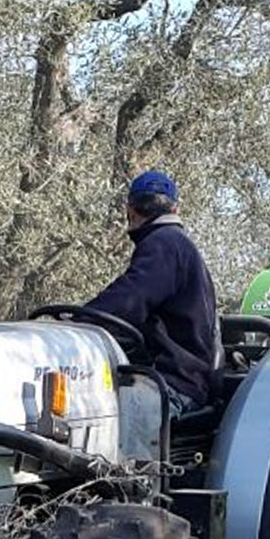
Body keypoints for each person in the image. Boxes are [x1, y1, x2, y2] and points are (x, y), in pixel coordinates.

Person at [85, 169, 218, 414]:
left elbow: (130, 298)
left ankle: (133, 456)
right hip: (183, 378)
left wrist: (79, 321)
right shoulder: (177, 245)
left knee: (99, 411)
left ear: (130, 211)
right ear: (175, 209)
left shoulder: (164, 244)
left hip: (173, 384)